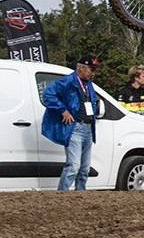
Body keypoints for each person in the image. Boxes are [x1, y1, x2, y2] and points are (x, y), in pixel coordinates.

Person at [42, 55, 101, 191]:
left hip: (88, 127)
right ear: (82, 68)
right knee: (74, 166)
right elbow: (48, 94)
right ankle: (62, 194)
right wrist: (63, 110)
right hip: (76, 127)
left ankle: (80, 195)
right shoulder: (67, 81)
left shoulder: (89, 84)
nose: (93, 73)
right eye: (91, 70)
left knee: (84, 168)